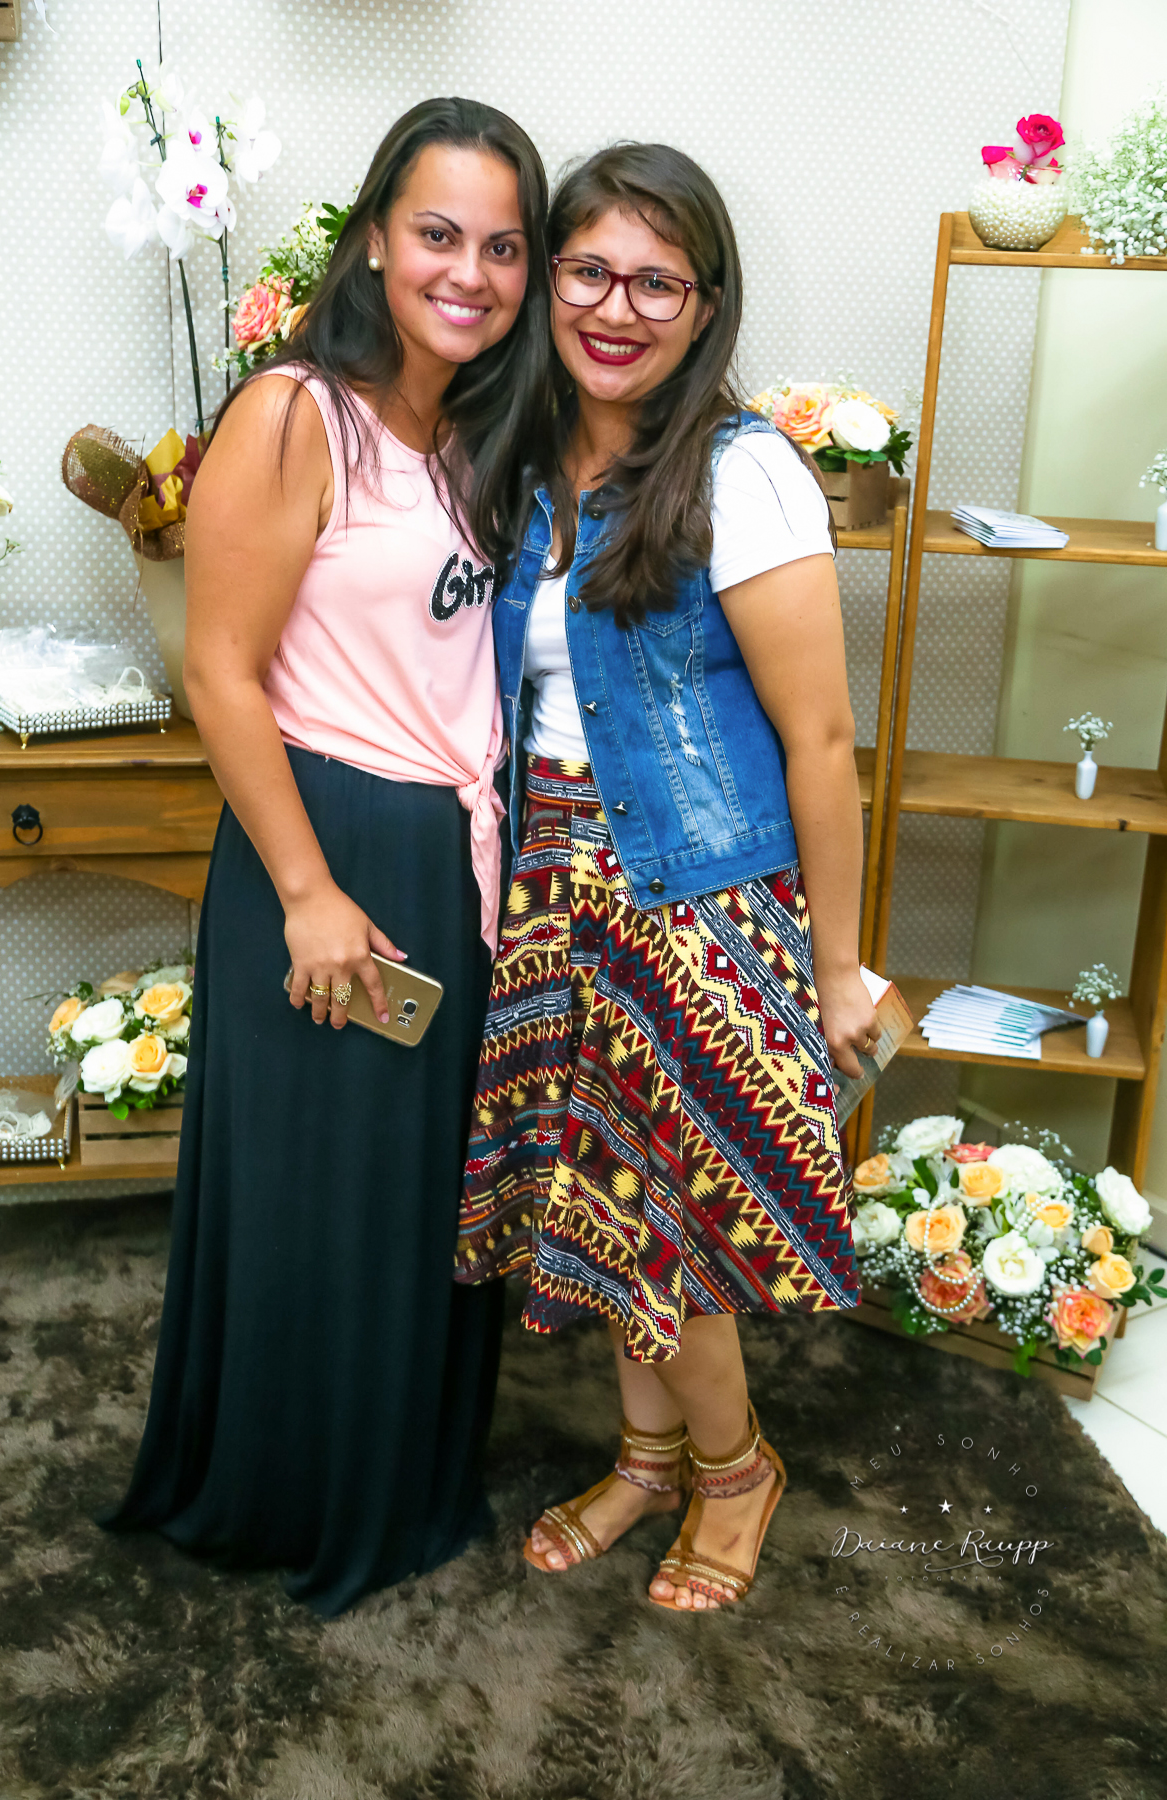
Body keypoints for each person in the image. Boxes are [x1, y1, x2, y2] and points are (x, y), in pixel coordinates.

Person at [102, 98, 551, 1615]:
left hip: (448, 858)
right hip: (326, 853)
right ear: (372, 240)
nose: (470, 273)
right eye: (438, 234)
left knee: (417, 1199)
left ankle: (398, 1479)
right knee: (322, 1194)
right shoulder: (296, 413)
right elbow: (220, 672)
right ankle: (296, 1494)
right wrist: (307, 893)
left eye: (504, 247)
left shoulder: (470, 429)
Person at [456, 142, 876, 1612]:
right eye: (589, 271)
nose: (615, 308)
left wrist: (838, 966)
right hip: (548, 883)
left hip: (695, 894)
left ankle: (737, 1469)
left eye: (657, 282)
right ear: (548, 281)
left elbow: (821, 740)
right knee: (595, 1197)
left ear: (705, 306)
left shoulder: (745, 474)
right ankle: (647, 1462)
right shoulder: (521, 460)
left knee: (670, 1222)